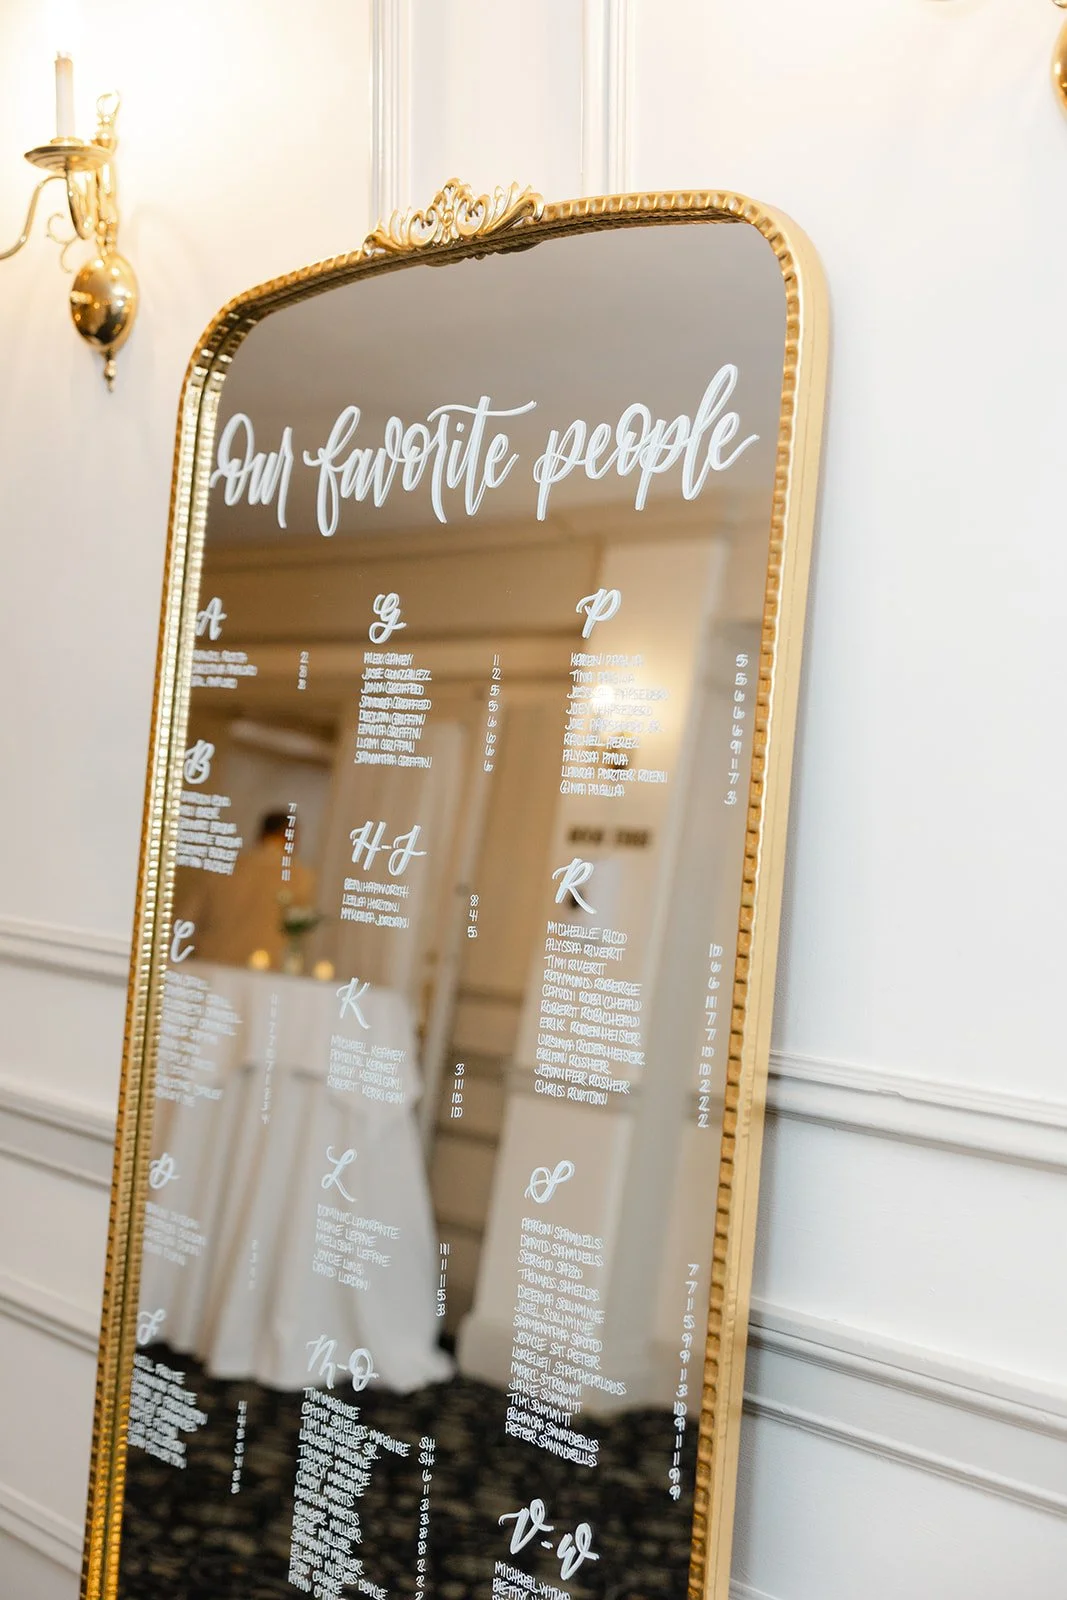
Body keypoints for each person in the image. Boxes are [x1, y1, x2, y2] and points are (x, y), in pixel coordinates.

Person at [180, 811, 318, 970]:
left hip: (213, 963)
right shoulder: (300, 877)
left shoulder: (224, 868)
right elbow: (301, 936)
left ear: (261, 833)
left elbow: (187, 918)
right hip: (264, 971)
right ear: (291, 837)